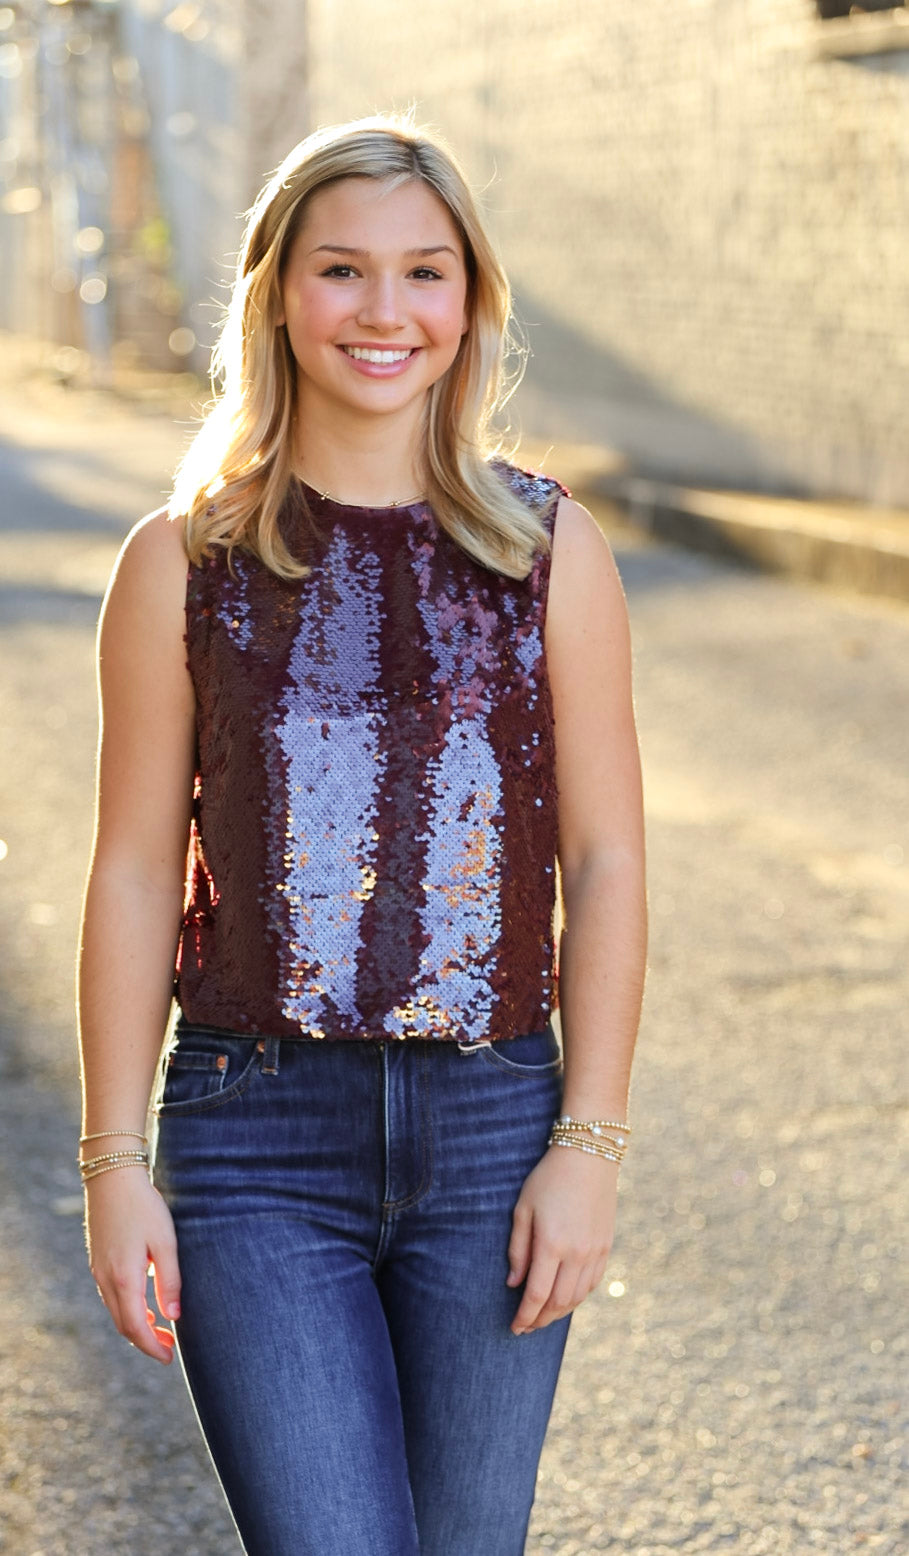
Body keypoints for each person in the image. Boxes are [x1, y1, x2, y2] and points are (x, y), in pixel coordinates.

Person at [77, 112, 646, 1556]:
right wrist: (112, 1164)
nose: (383, 312)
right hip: (252, 1137)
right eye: (341, 271)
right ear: (277, 291)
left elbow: (605, 862)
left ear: (469, 303)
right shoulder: (183, 563)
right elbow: (140, 869)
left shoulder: (545, 550)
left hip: (494, 1127)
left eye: (424, 273)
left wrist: (586, 1141)